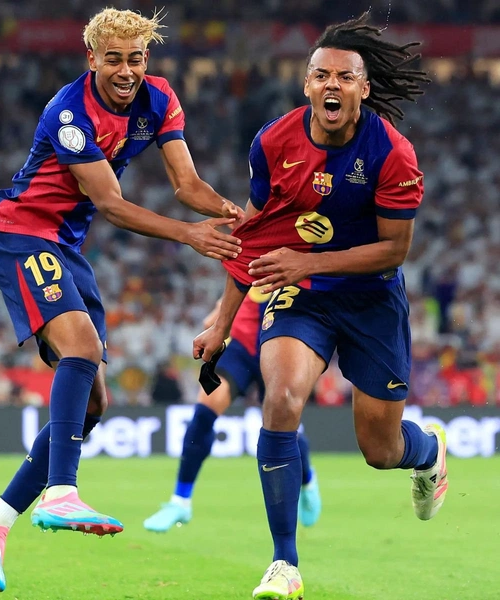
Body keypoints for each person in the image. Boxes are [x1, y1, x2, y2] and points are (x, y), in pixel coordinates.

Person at [0, 8, 244, 593]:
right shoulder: (69, 113)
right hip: (21, 233)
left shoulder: (159, 99)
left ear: (147, 60)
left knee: (92, 406)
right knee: (82, 349)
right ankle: (61, 493)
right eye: (113, 59)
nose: (125, 71)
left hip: (64, 247)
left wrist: (230, 212)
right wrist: (190, 235)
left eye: (135, 59)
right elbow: (112, 204)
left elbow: (187, 185)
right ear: (91, 58)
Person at [193, 13, 448, 600]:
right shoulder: (272, 142)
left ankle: (429, 451)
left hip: (370, 298)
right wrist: (223, 322)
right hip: (300, 296)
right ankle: (284, 563)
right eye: (321, 75)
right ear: (306, 84)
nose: (332, 85)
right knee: (280, 399)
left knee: (380, 450)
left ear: (363, 88)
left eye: (345, 77)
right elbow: (255, 235)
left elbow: (394, 249)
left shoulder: (393, 153)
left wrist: (308, 262)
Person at [144, 289, 321, 533]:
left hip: (280, 343)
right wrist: (220, 312)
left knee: (284, 425)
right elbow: (235, 287)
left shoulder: (299, 266)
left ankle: (307, 479)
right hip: (241, 347)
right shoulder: (250, 267)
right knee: (204, 411)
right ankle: (180, 501)